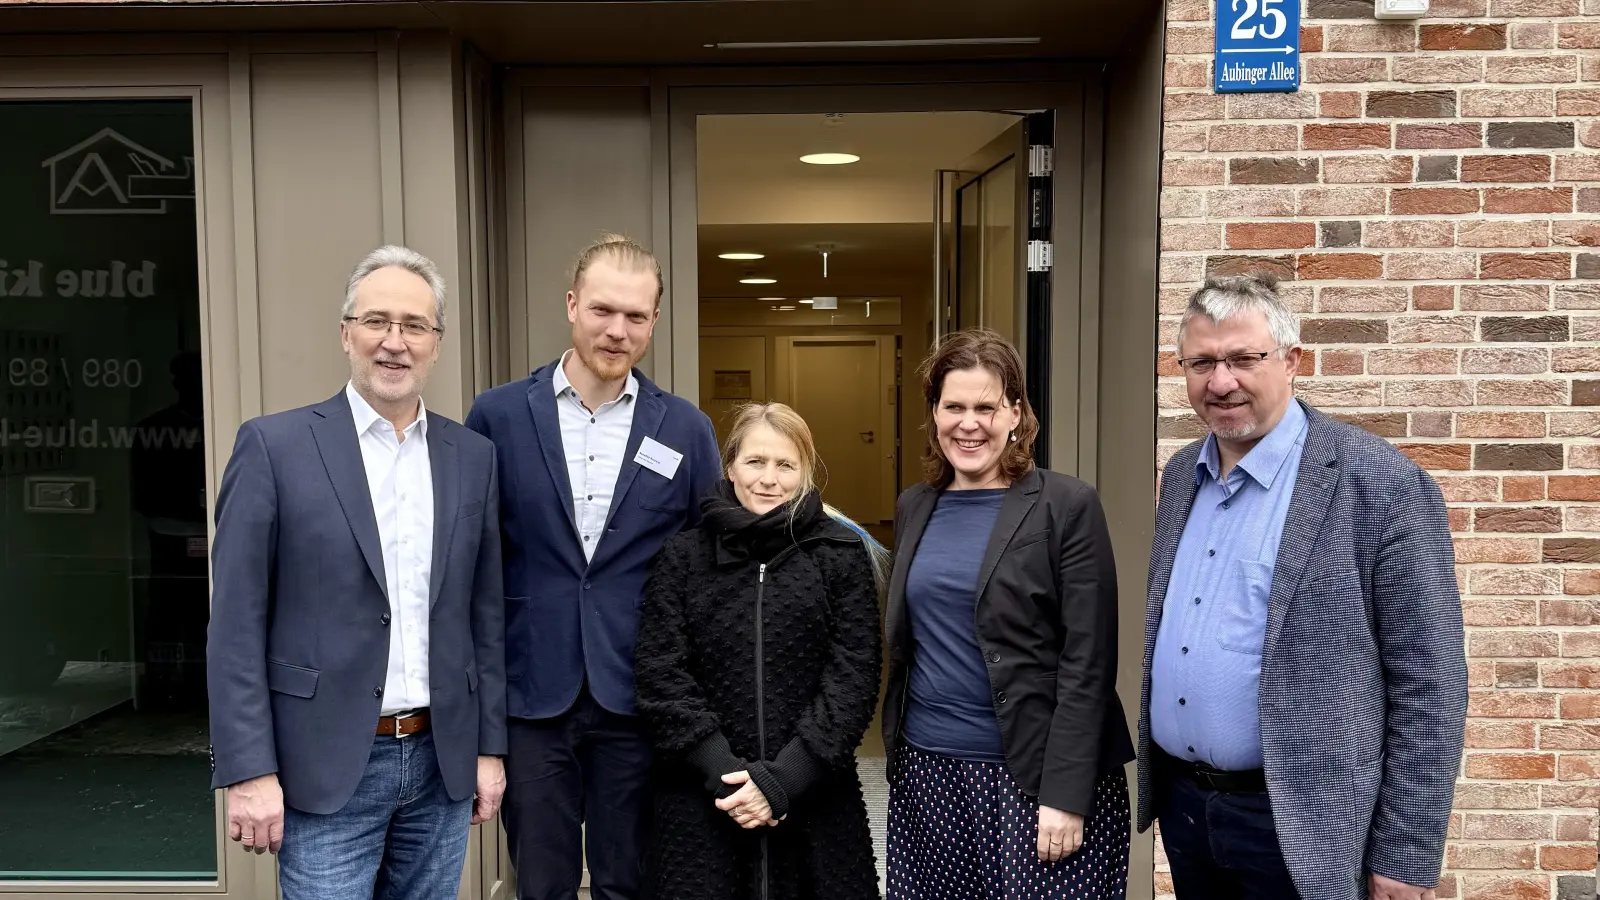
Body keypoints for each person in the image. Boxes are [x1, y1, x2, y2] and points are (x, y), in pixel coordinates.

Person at [1138, 273, 1467, 900]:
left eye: (1243, 358)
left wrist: (1406, 850)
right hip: (1187, 810)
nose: (1221, 381)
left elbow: (1430, 683)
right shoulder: (1184, 473)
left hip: (1303, 821)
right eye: (1201, 362)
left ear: (1292, 360)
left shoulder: (1378, 482)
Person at [206, 246, 507, 900]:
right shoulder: (274, 447)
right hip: (323, 767)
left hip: (440, 766)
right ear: (346, 334)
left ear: (436, 342)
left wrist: (489, 749)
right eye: (377, 322)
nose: (394, 342)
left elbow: (484, 617)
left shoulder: (472, 457)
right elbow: (234, 626)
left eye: (414, 326)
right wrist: (248, 771)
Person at [464, 233, 722, 900]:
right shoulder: (496, 417)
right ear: (572, 305)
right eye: (604, 311)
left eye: (636, 317)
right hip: (531, 695)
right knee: (541, 882)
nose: (617, 331)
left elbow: (710, 573)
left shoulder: (685, 431)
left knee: (627, 882)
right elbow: (473, 568)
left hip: (638, 697)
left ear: (655, 322)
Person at [882, 328, 1134, 900]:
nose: (969, 424)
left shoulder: (1066, 505)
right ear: (935, 413)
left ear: (1015, 413)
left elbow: (1087, 662)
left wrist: (1066, 795)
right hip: (928, 771)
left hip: (1033, 779)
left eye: (986, 407)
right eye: (954, 407)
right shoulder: (916, 505)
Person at [634, 401, 886, 900]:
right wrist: (727, 774)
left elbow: (854, 676)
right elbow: (661, 673)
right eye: (755, 462)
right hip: (702, 799)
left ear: (805, 473)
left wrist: (786, 778)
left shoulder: (839, 555)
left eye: (785, 464)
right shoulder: (684, 556)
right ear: (730, 467)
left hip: (815, 794)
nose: (769, 478)